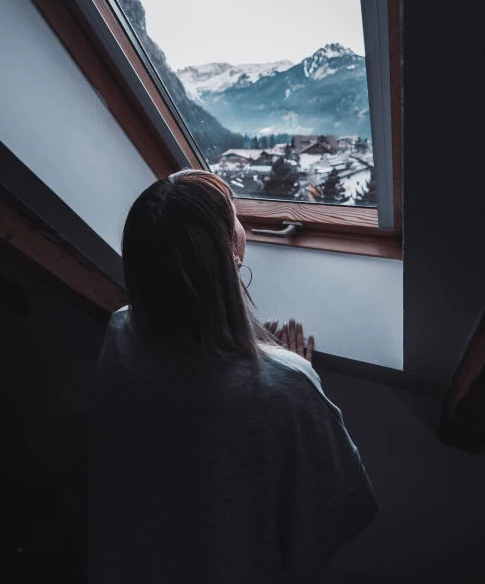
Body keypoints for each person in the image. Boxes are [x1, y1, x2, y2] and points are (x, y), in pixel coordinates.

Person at [88, 170, 378, 584]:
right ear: (231, 253)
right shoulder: (284, 387)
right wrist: (287, 373)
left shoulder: (119, 332)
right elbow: (340, 515)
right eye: (237, 217)